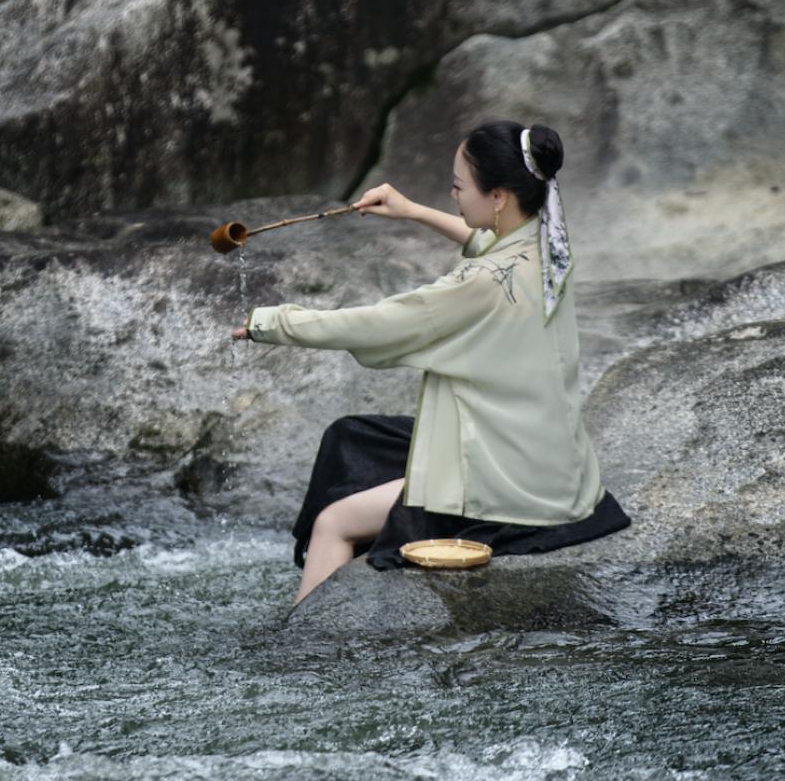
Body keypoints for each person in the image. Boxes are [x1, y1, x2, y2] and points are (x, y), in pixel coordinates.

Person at [230, 119, 631, 603]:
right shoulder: (549, 243)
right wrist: (411, 211)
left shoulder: (482, 283)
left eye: (459, 187)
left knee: (333, 521)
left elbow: (380, 323)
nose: (454, 195)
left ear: (499, 196)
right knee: (352, 437)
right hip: (551, 463)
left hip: (510, 484)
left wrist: (271, 323)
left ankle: (307, 642)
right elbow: (482, 239)